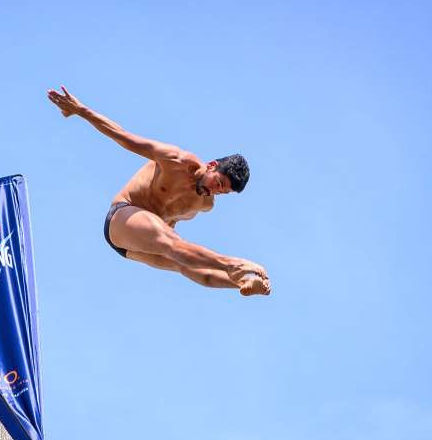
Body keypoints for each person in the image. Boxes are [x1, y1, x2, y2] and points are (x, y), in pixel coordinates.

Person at [47, 86, 271, 296]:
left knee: (186, 265)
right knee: (171, 243)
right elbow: (122, 135)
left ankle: (241, 281)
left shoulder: (205, 204)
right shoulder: (176, 160)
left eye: (224, 192)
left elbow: (174, 233)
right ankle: (236, 265)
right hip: (121, 218)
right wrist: (81, 110)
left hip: (132, 247)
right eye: (219, 182)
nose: (217, 191)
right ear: (212, 165)